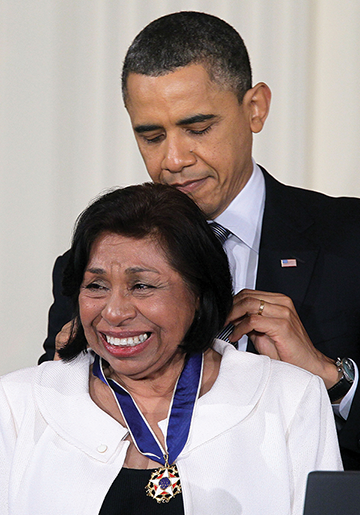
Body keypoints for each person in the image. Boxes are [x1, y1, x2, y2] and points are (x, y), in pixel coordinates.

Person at [40, 12, 360, 469]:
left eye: (197, 128)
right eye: (151, 136)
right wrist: (71, 375)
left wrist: (332, 381)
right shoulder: (89, 269)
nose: (173, 159)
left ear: (256, 108)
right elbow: (48, 435)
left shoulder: (350, 239)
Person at [0, 184, 342, 514]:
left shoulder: (289, 398)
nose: (115, 312)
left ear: (198, 294)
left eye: (142, 285)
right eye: (97, 285)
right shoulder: (18, 403)